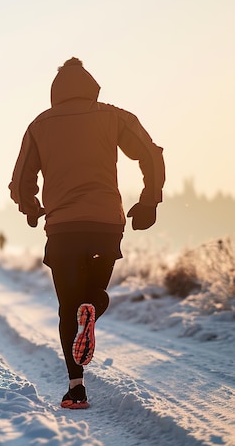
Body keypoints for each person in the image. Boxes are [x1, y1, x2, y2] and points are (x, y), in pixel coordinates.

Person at [9, 57, 165, 409]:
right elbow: (151, 156)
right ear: (92, 87)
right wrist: (149, 201)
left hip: (63, 229)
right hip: (105, 226)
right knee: (93, 293)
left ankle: (76, 388)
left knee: (68, 307)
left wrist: (31, 207)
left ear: (55, 92)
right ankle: (93, 306)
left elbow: (21, 182)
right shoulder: (114, 117)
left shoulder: (40, 124)